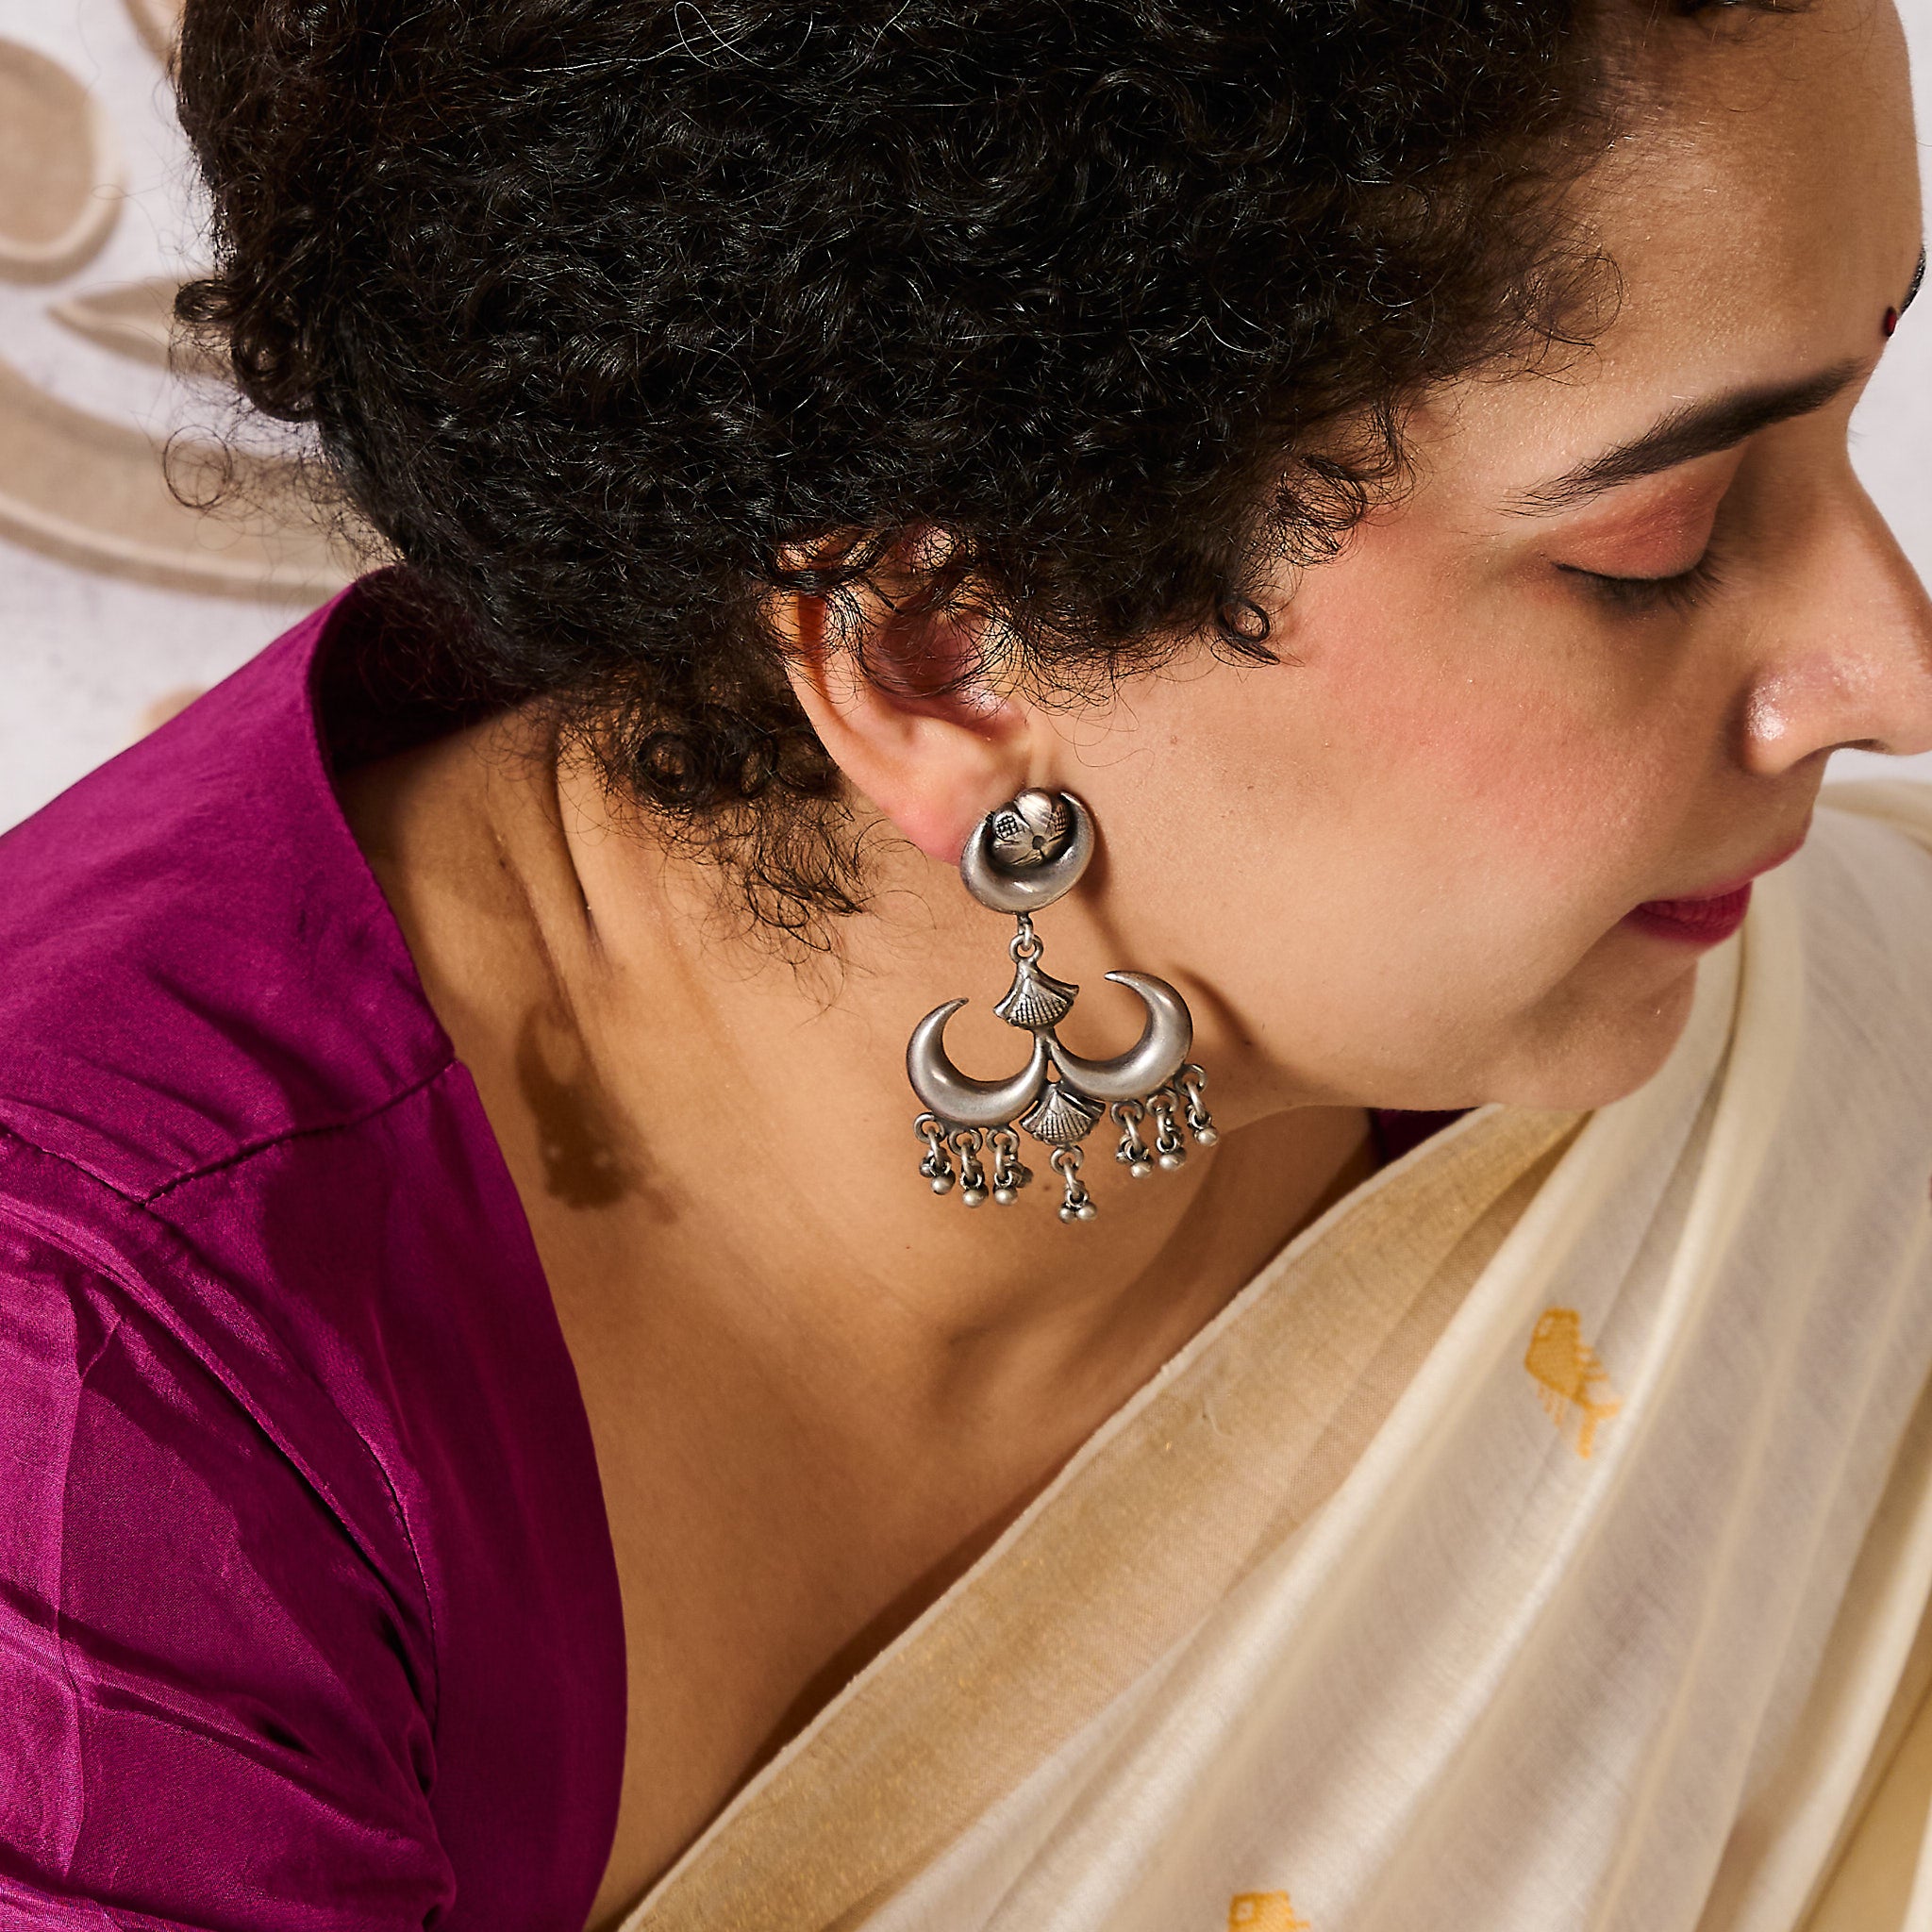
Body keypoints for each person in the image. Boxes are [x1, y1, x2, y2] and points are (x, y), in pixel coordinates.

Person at [5, 0, 1932, 1924]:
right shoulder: (108, 1448)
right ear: (941, 657)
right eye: (1656, 545)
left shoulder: (1847, 1084)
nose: (1893, 677)